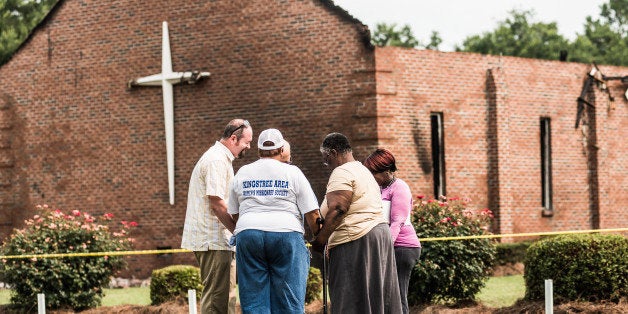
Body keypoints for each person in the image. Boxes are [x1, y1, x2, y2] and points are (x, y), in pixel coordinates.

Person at [227, 128, 321, 313]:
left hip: (249, 232)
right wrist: (320, 237)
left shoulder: (244, 172)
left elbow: (235, 213)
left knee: (253, 299)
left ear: (259, 150)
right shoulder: (292, 172)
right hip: (286, 233)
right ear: (281, 150)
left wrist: (248, 226)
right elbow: (312, 213)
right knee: (289, 298)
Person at [310, 132, 402, 313]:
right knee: (376, 298)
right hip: (378, 235)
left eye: (326, 159)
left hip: (356, 239)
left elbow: (338, 208)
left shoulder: (342, 171)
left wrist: (321, 241)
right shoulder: (363, 171)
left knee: (350, 297)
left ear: (334, 153)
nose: (326, 164)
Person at [181, 119, 253, 314]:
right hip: (213, 239)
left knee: (225, 298)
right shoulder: (216, 160)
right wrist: (239, 233)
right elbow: (217, 204)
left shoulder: (220, 158)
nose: (248, 146)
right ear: (233, 138)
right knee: (217, 301)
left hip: (219, 241)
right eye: (246, 142)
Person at [364, 148, 422, 314]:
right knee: (384, 296)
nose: (371, 176)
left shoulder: (400, 187)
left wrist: (384, 248)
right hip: (389, 247)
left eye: (374, 173)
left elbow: (397, 222)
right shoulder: (380, 188)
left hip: (403, 248)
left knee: (397, 295)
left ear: (387, 171)